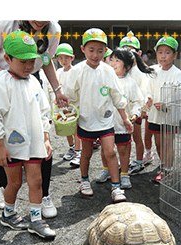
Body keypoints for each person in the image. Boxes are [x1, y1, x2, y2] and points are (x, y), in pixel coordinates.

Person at [0, 20, 68, 217]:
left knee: (40, 145)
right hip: (4, 76)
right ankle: (5, 187)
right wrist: (7, 79)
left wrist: (57, 89)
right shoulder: (2, 24)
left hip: (29, 79)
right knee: (5, 143)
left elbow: (45, 61)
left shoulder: (53, 29)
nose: (41, 21)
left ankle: (43, 195)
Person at [0, 31, 55, 240]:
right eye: (23, 62)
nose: (28, 66)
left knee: (37, 181)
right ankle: (8, 212)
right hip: (10, 144)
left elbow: (44, 111)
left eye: (32, 61)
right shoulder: (0, 82)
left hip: (33, 142)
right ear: (7, 59)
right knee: (13, 183)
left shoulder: (33, 82)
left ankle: (35, 219)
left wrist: (46, 138)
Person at [64, 28, 133, 203]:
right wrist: (68, 114)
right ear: (83, 49)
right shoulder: (77, 71)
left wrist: (125, 118)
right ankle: (85, 181)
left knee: (110, 151)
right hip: (86, 120)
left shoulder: (108, 71)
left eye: (100, 51)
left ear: (105, 51)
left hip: (105, 119)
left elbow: (117, 96)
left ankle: (116, 188)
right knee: (86, 153)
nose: (96, 55)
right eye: (91, 50)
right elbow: (71, 97)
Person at [96, 47, 143, 189]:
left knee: (124, 150)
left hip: (123, 124)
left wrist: (134, 114)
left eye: (118, 60)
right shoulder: (104, 80)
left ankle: (124, 174)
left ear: (127, 66)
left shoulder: (130, 83)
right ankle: (106, 170)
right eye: (111, 59)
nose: (113, 63)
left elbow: (137, 102)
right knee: (105, 150)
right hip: (105, 124)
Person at [147, 36, 181, 183]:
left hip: (170, 116)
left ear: (174, 55)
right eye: (160, 52)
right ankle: (163, 164)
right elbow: (148, 88)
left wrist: (166, 104)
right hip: (155, 114)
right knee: (158, 142)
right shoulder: (154, 71)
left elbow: (179, 94)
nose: (163, 56)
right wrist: (148, 98)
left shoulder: (177, 73)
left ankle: (168, 169)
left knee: (167, 142)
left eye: (167, 52)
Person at [119, 32, 155, 175]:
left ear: (138, 53)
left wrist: (141, 109)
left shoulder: (140, 71)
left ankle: (139, 161)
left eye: (131, 51)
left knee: (136, 137)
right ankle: (126, 161)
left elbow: (145, 91)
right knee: (125, 138)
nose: (128, 54)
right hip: (124, 110)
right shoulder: (120, 70)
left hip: (136, 110)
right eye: (125, 50)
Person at [55, 43, 81, 165]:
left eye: (66, 57)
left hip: (75, 104)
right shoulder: (59, 72)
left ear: (72, 58)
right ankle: (71, 148)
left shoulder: (76, 71)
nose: (63, 61)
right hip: (63, 106)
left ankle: (78, 151)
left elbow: (81, 88)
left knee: (75, 129)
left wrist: (80, 103)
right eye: (60, 58)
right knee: (66, 128)